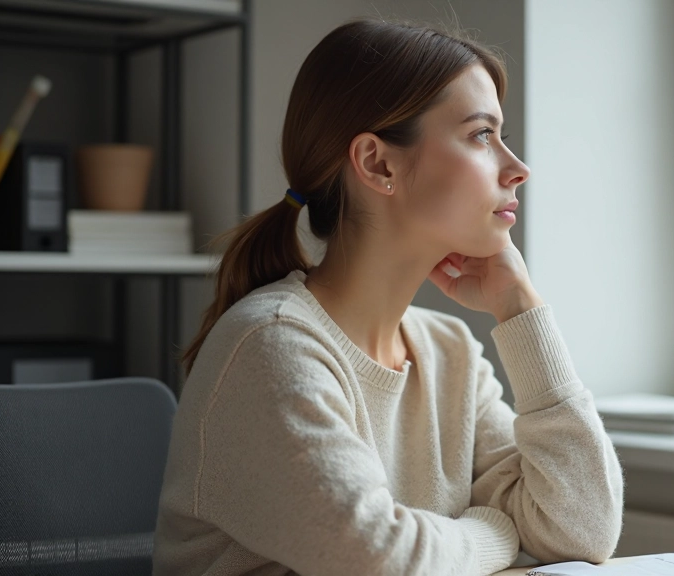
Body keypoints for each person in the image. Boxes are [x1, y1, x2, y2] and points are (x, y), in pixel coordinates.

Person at [152, 17, 623, 576]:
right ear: (378, 163)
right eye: (480, 135)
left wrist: (520, 310)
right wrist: (498, 529)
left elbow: (582, 530)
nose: (517, 168)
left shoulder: (448, 350)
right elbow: (380, 559)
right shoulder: (271, 346)